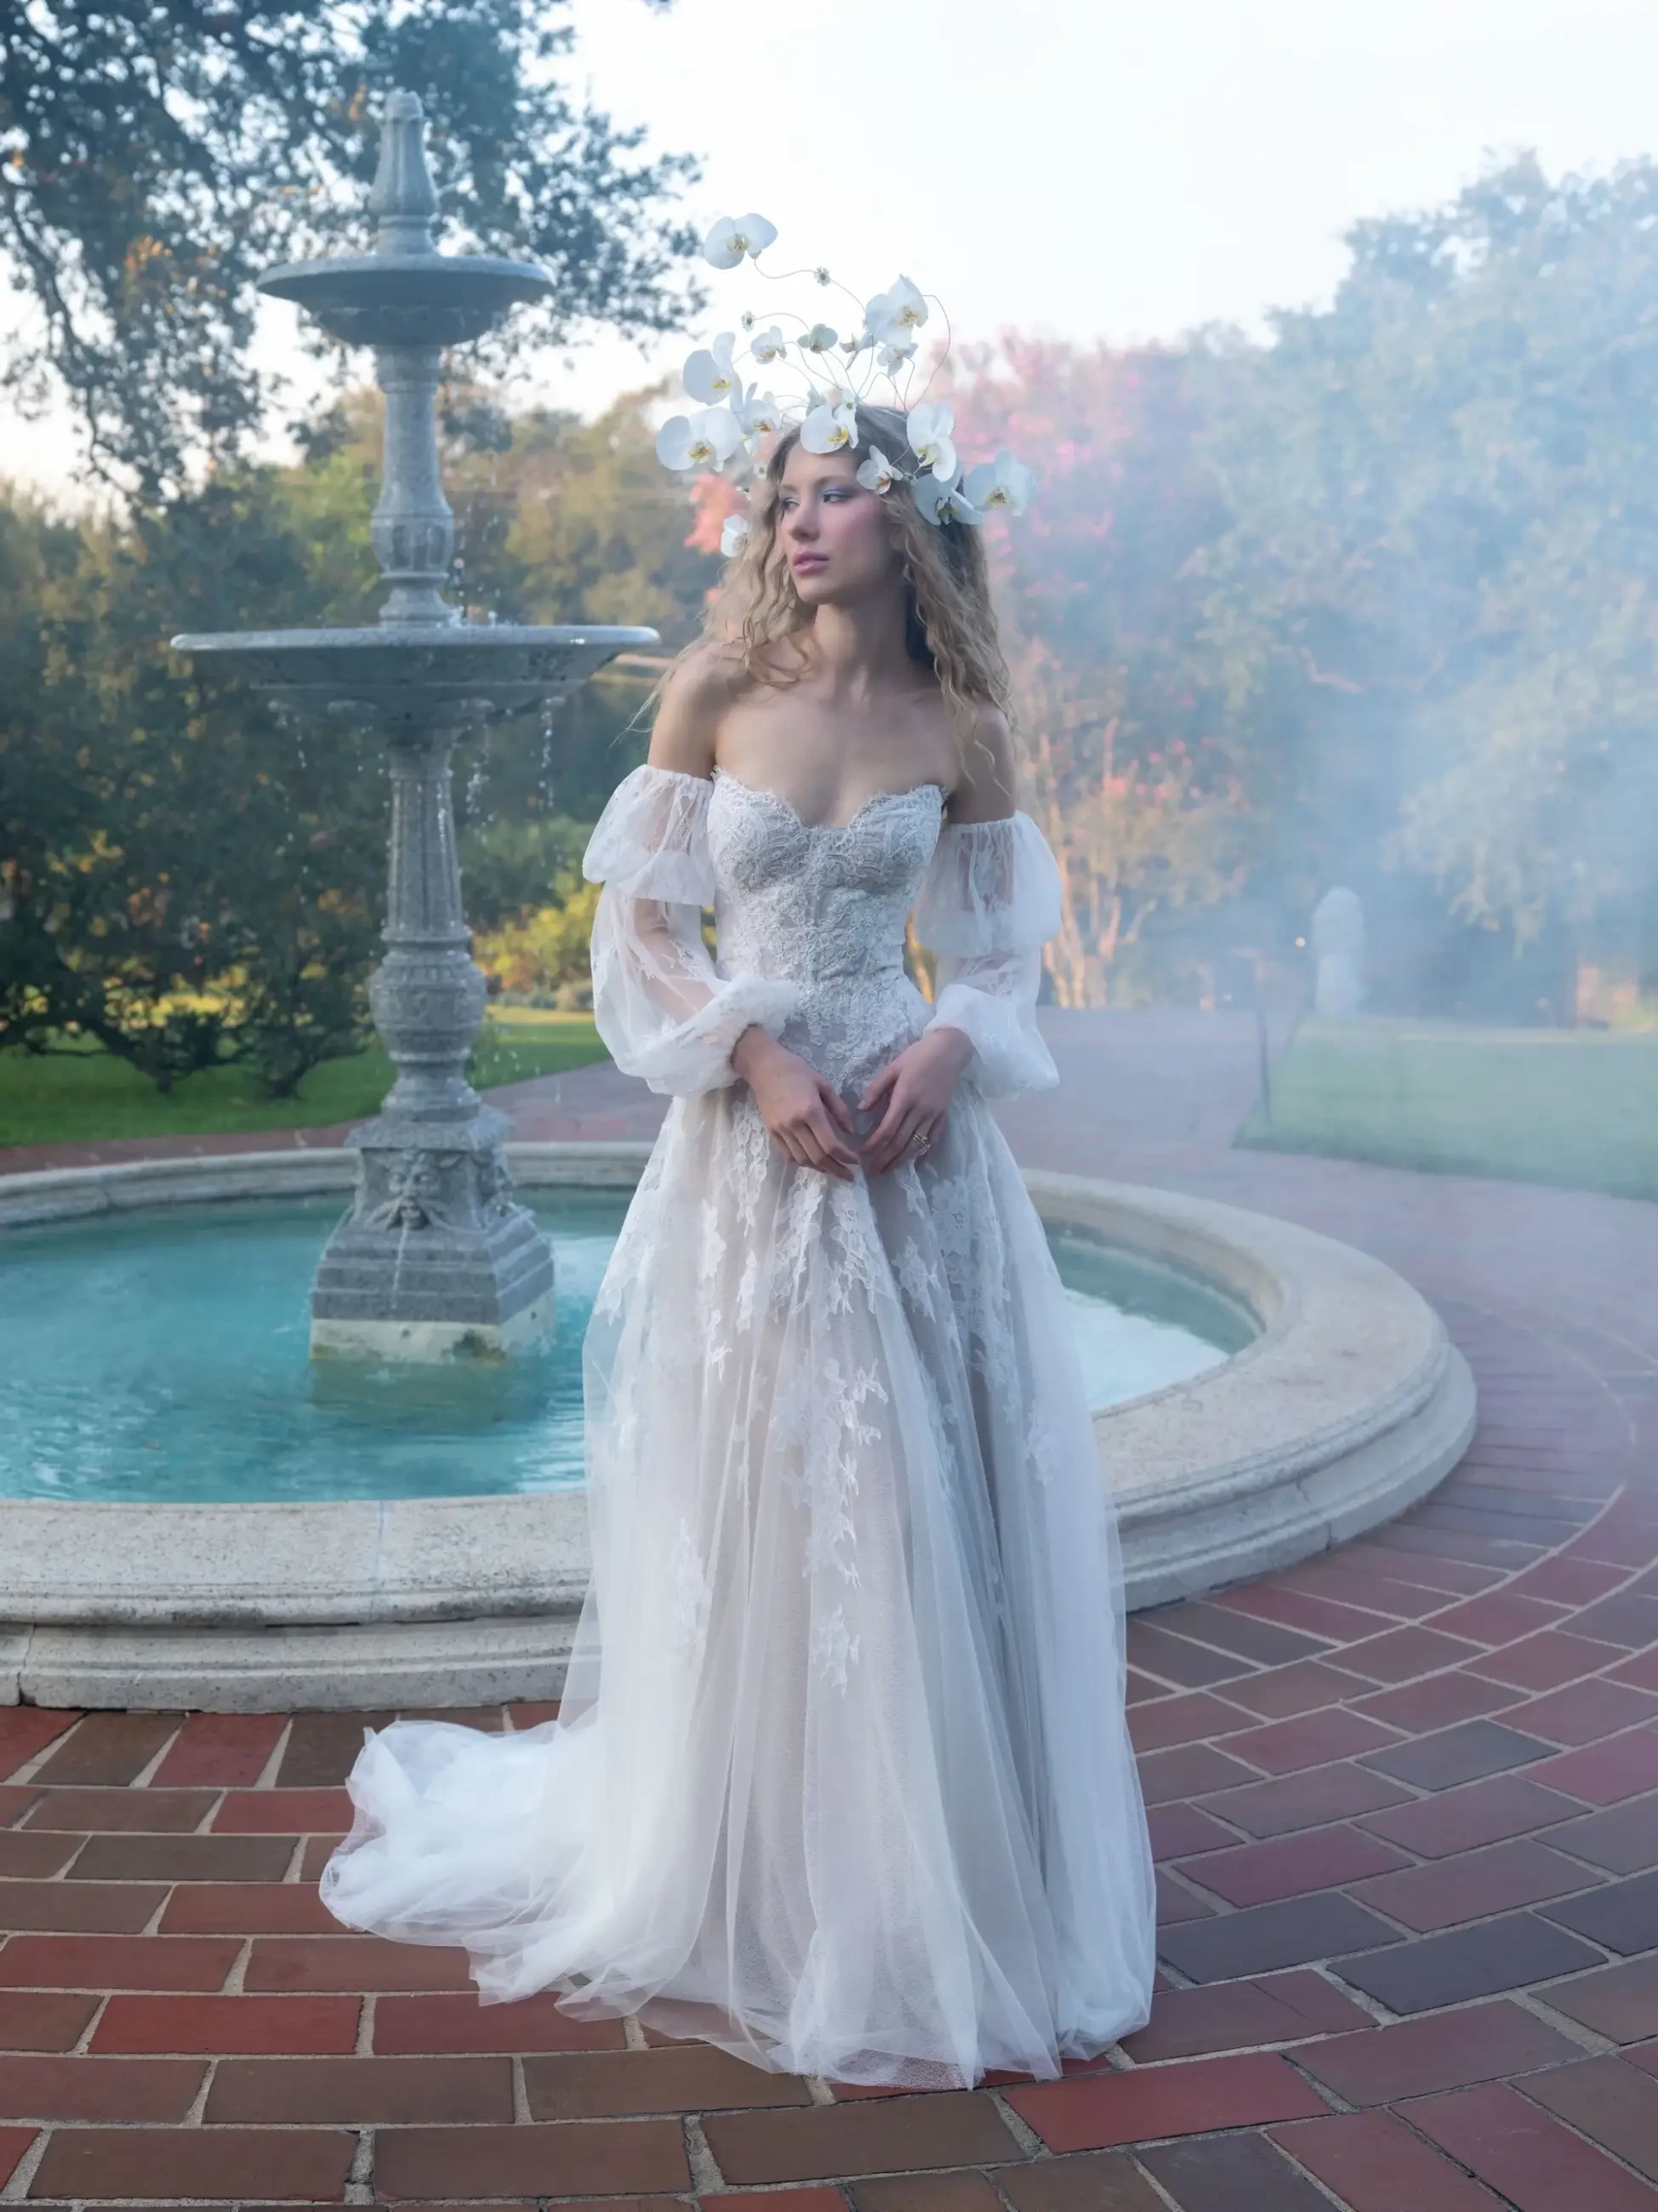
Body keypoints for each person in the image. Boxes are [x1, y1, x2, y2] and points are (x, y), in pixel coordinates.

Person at [320, 400, 1156, 2091]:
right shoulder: (714, 693)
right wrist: (757, 1056)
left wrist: (943, 1048)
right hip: (752, 1148)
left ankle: (946, 1889)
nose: (795, 522)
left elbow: (998, 962)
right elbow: (642, 933)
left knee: (926, 1492)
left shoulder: (961, 723)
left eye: (832, 493)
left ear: (907, 523)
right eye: (782, 496)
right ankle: (768, 1882)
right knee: (788, 1492)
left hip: (917, 1164)